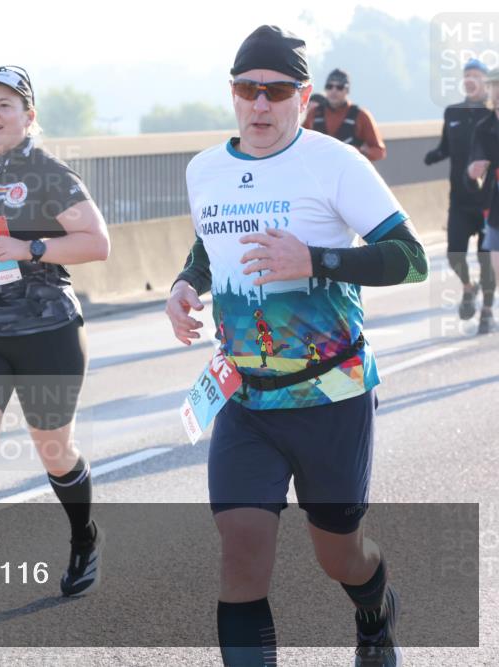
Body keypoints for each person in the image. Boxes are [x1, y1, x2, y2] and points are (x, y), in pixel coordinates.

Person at [166, 26, 427, 666]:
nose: (260, 104)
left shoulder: (335, 162)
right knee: (240, 556)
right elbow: (212, 242)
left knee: (340, 552)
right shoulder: (205, 169)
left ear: (303, 97)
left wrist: (314, 258)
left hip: (331, 394)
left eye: (276, 91)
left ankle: (374, 610)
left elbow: (410, 259)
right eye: (247, 89)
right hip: (246, 402)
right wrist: (186, 282)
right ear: (232, 93)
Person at [0, 66, 111, 620]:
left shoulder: (49, 173)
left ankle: (84, 539)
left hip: (47, 331)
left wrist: (30, 250)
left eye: (5, 104)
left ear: (29, 116)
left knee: (54, 453)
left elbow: (96, 243)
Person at [425, 58, 494, 333]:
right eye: (466, 75)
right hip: (460, 200)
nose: (470, 80)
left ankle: (487, 310)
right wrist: (435, 155)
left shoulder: (493, 114)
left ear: (486, 82)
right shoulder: (452, 112)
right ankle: (468, 286)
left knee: (487, 258)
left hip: (489, 201)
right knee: (454, 253)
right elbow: (446, 146)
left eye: (476, 75)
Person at [468, 65, 499, 335]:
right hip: (495, 202)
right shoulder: (484, 126)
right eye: (494, 85)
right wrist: (473, 169)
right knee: (494, 262)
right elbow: (474, 162)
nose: (497, 91)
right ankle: (488, 308)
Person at [304, 69, 386, 162]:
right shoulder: (314, 113)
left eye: (339, 87)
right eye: (329, 86)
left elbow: (379, 152)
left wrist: (361, 151)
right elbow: (300, 142)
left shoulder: (361, 115)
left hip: (349, 171)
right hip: (320, 170)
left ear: (347, 91)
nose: (334, 91)